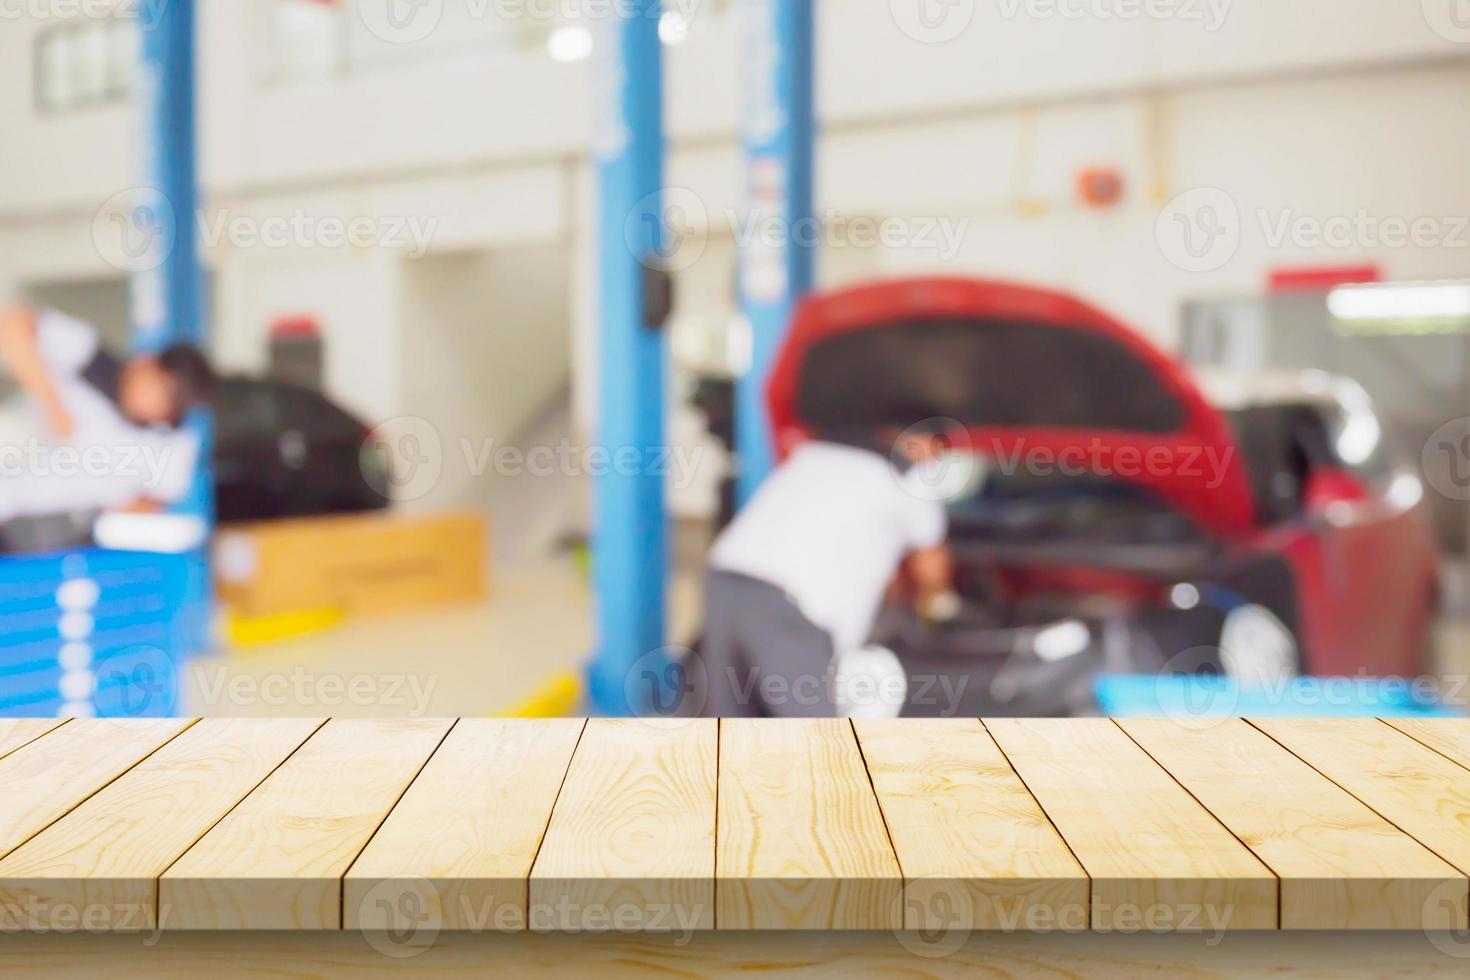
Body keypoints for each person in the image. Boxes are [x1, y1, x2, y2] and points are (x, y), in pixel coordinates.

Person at [700, 424, 957, 718]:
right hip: (787, 603)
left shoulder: (817, 453)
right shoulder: (909, 476)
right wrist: (938, 604)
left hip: (725, 577)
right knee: (815, 737)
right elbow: (930, 562)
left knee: (728, 723)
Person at [0, 305, 214, 525]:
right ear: (147, 362)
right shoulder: (91, 359)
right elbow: (14, 322)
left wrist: (104, 513)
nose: (154, 403)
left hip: (35, 530)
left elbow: (157, 502)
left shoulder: (166, 445)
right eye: (159, 389)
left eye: (169, 404)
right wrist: (54, 407)